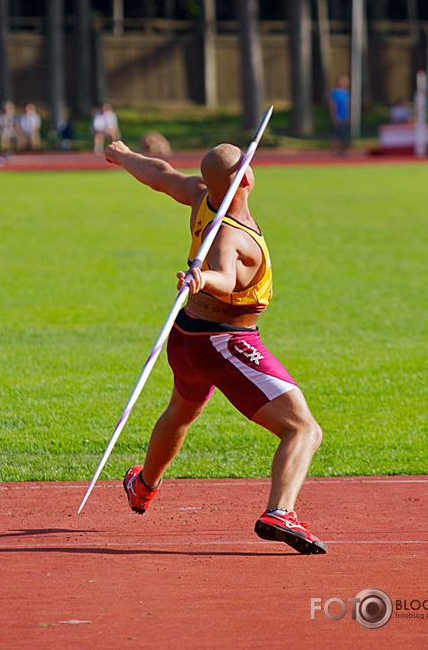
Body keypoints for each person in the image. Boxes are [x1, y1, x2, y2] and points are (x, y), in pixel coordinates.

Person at [105, 139, 327, 555]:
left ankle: (142, 485)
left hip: (186, 334)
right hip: (224, 342)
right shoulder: (231, 234)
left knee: (182, 409)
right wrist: (203, 279)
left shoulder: (200, 196)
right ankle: (280, 511)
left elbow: (160, 174)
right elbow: (225, 273)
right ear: (246, 178)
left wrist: (123, 155)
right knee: (303, 428)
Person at [329, 75, 350, 155]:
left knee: (343, 135)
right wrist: (333, 116)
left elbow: (347, 105)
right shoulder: (335, 93)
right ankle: (334, 150)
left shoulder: (346, 93)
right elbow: (332, 105)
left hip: (344, 116)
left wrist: (347, 116)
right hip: (337, 116)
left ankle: (342, 150)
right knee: (336, 134)